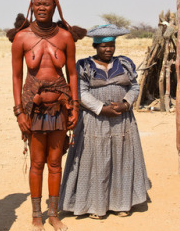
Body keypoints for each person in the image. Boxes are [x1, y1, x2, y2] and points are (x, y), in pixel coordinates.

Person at [9, 0, 86, 231]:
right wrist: (19, 111)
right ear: (32, 5)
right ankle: (35, 215)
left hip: (59, 108)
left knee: (55, 162)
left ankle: (53, 214)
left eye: (47, 4)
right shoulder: (21, 38)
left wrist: (75, 106)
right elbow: (17, 76)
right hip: (34, 108)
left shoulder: (65, 37)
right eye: (38, 4)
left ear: (55, 7)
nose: (42, 7)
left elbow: (72, 74)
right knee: (37, 163)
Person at [59, 24, 151, 219]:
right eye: (103, 46)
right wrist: (102, 108)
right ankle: (94, 205)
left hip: (122, 121)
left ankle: (121, 203)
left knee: (122, 159)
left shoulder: (125, 63)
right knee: (96, 160)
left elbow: (134, 86)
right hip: (94, 121)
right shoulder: (84, 65)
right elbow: (80, 92)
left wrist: (126, 104)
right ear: (95, 46)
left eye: (111, 45)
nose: (108, 49)